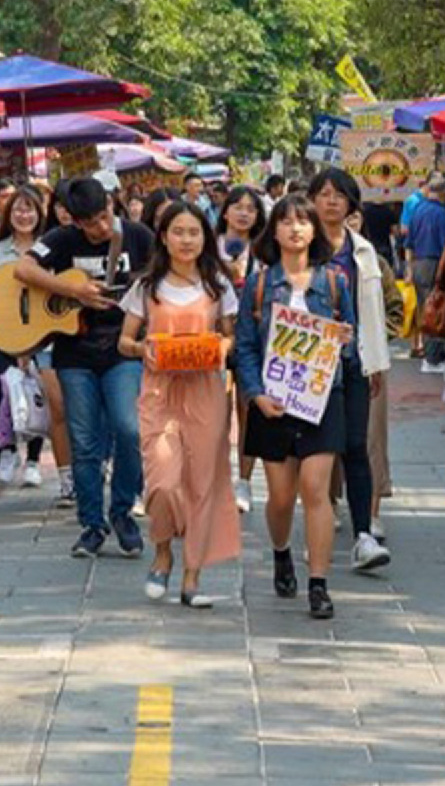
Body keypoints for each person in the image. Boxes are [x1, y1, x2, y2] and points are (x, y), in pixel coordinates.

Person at [16, 176, 155, 559]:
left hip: (123, 351)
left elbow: (159, 280)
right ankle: (92, 524)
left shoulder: (139, 236)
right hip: (74, 354)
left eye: (105, 215)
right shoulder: (62, 240)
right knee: (84, 440)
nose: (101, 227)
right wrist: (71, 290)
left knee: (128, 430)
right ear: (74, 221)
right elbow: (23, 271)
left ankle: (123, 511)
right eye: (91, 222)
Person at [235, 195, 360, 621]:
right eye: (285, 222)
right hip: (274, 402)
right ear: (273, 232)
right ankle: (282, 551)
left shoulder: (335, 282)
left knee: (315, 489)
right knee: (282, 496)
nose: (295, 229)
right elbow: (246, 348)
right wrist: (255, 394)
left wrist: (343, 341)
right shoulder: (257, 285)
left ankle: (319, 583)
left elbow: (351, 339)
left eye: (303, 222)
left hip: (323, 400)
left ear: (314, 231)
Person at [119, 202, 241, 607]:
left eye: (194, 232)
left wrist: (221, 347)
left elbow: (230, 337)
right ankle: (163, 551)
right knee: (163, 481)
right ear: (164, 237)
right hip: (159, 394)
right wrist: (143, 349)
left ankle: (192, 577)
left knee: (202, 484)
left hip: (206, 393)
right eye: (178, 232)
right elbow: (124, 341)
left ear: (205, 237)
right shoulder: (146, 287)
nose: (186, 240)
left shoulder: (218, 287)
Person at [307, 168, 395, 571]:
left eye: (339, 195)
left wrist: (376, 361)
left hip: (355, 362)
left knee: (356, 447)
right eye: (323, 194)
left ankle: (363, 535)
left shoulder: (363, 252)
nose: (331, 201)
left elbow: (373, 311)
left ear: (351, 203)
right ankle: (317, 529)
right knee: (317, 451)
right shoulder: (299, 246)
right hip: (309, 364)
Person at [0, 185, 51, 488]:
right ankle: (6, 450)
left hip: (41, 334)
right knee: (5, 394)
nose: (23, 215)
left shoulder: (48, 248)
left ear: (39, 212)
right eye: (18, 209)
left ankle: (33, 460)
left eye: (29, 209)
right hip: (0, 334)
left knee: (37, 395)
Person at [218, 185, 265, 514]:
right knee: (217, 412)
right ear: (225, 212)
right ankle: (217, 478)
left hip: (251, 338)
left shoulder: (264, 251)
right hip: (216, 337)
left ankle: (244, 482)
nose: (244, 213)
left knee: (248, 410)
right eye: (238, 206)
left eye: (251, 208)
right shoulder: (208, 247)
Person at [406, 175, 445, 374]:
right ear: (443, 192)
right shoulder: (442, 214)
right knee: (438, 309)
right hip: (435, 263)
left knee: (424, 309)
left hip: (418, 263)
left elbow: (408, 242)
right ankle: (435, 357)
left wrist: (409, 268)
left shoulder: (417, 210)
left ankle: (429, 355)